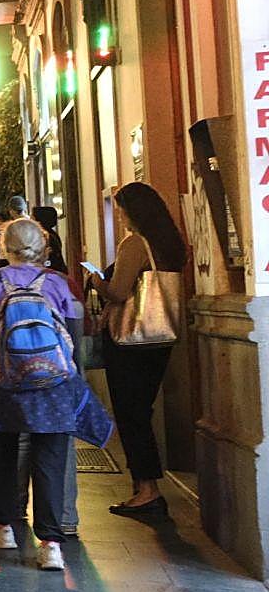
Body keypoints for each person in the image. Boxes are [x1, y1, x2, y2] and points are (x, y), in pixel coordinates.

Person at [0, 218, 109, 571]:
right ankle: (51, 544)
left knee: (5, 455)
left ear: (4, 246)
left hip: (7, 385)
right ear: (43, 247)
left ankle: (4, 527)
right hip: (55, 387)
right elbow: (76, 342)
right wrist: (79, 385)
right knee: (52, 459)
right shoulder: (60, 285)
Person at [87, 181, 187, 521]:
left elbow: (117, 292)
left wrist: (95, 281)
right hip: (159, 339)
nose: (121, 215)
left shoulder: (134, 245)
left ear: (135, 211)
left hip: (130, 342)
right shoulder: (169, 244)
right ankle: (146, 488)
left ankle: (147, 491)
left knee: (131, 416)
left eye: (122, 209)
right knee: (140, 410)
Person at [33, 206, 68, 275]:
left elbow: (50, 262)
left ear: (39, 220)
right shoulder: (53, 234)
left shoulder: (46, 237)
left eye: (32, 217)